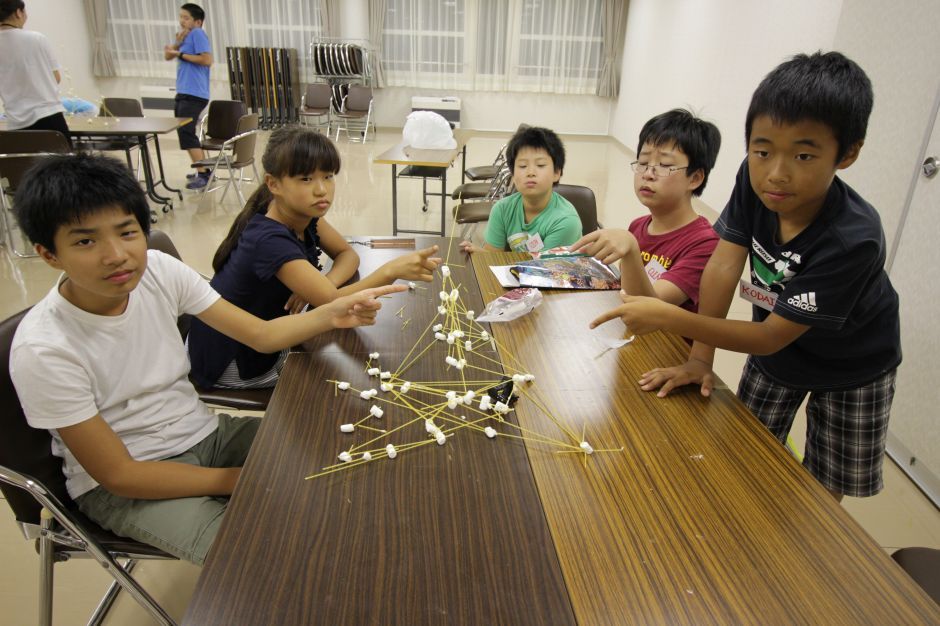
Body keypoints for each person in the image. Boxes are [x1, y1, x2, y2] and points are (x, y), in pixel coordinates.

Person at [9, 153, 402, 564]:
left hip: (204, 434)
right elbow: (119, 475)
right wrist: (247, 480)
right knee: (266, 561)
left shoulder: (159, 270)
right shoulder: (44, 348)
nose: (116, 255)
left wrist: (331, 311)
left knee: (357, 448)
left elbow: (262, 335)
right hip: (127, 485)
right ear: (49, 254)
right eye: (85, 241)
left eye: (127, 232)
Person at [591, 52, 901, 501]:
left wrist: (667, 317)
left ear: (847, 153)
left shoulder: (854, 238)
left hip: (854, 366)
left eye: (804, 154)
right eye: (762, 150)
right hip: (774, 356)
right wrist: (700, 359)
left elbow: (772, 336)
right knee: (748, 454)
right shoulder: (755, 183)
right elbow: (723, 263)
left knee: (825, 487)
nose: (776, 172)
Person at [187, 126, 442, 389]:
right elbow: (332, 305)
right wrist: (390, 270)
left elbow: (347, 255)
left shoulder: (299, 212)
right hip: (234, 360)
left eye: (328, 176)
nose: (322, 190)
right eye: (306, 179)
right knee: (339, 384)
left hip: (260, 336)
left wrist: (318, 288)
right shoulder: (269, 239)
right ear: (273, 184)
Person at [572, 109, 720, 313]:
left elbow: (649, 309)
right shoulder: (639, 225)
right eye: (643, 163)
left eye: (664, 165)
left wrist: (631, 250)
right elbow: (625, 291)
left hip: (665, 344)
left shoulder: (704, 244)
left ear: (694, 178)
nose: (648, 173)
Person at [460, 126, 581, 255]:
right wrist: (479, 253)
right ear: (512, 174)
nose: (530, 172)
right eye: (522, 166)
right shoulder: (502, 209)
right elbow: (494, 257)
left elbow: (544, 270)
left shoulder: (566, 221)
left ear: (556, 172)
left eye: (540, 165)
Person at [0, 0, 69, 141]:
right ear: (18, 12)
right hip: (48, 116)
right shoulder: (37, 38)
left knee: (23, 162)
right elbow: (56, 77)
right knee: (61, 162)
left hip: (15, 122)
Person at [163, 3, 212, 190]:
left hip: (194, 92)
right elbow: (168, 56)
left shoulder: (198, 34)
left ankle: (204, 174)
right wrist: (177, 44)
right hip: (185, 91)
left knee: (186, 132)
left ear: (197, 21)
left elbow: (207, 60)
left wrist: (180, 53)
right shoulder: (185, 36)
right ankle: (202, 169)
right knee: (185, 132)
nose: (182, 21)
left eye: (186, 18)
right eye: (181, 17)